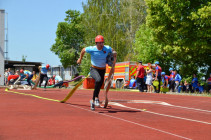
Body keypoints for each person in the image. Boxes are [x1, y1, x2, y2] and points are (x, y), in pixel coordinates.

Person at [77, 35, 116, 111]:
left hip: (102, 69)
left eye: (102, 43)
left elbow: (113, 50)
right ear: (96, 43)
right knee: (98, 80)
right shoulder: (92, 49)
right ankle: (96, 98)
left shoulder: (107, 48)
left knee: (99, 84)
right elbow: (83, 50)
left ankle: (93, 101)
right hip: (94, 69)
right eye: (100, 43)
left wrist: (113, 54)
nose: (102, 44)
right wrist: (80, 59)